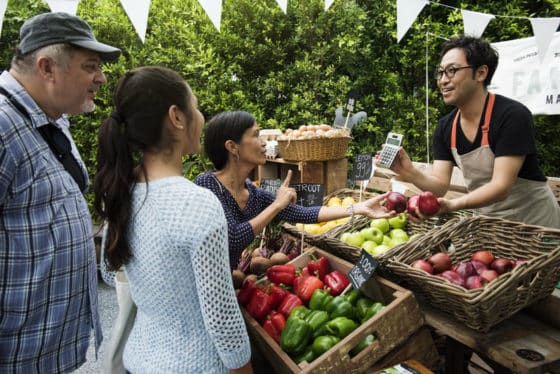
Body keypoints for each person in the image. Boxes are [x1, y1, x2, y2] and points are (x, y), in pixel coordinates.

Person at [93, 66, 253, 373]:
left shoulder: (121, 190)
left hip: (138, 360)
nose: (200, 115)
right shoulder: (197, 203)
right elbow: (221, 317)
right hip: (196, 365)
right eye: (194, 106)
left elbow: (109, 269)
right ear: (177, 117)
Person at [0, 12, 121, 372]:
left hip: (47, 352)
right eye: (90, 66)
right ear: (47, 68)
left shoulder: (53, 118)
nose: (101, 78)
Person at [385, 35, 560, 228]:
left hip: (536, 225)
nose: (443, 80)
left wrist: (454, 205)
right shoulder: (446, 127)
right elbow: (440, 186)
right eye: (441, 72)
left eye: (452, 71)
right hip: (490, 227)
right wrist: (409, 171)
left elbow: (501, 187)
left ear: (480, 73)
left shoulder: (512, 116)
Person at [195, 110, 395, 269]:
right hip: (198, 285)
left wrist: (359, 208)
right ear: (232, 146)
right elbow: (233, 239)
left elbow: (303, 213)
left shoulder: (253, 193)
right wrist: (275, 206)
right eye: (256, 135)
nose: (264, 143)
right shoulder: (207, 185)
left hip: (225, 279)